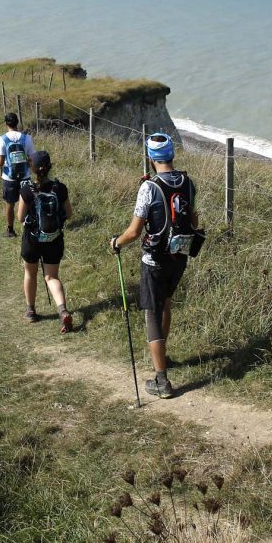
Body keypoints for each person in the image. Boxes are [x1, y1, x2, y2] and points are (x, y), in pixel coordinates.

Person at [110, 132, 198, 399]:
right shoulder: (189, 183)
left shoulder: (148, 187)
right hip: (179, 256)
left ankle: (161, 380)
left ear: (150, 157)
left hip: (154, 260)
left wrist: (117, 242)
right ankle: (163, 358)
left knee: (151, 313)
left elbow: (135, 232)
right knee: (166, 304)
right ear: (171, 154)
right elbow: (193, 221)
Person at [18, 151, 74, 331]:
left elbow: (20, 217)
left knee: (30, 272)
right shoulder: (60, 188)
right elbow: (69, 213)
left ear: (31, 168)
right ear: (49, 167)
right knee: (51, 276)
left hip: (32, 238)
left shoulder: (27, 190)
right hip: (54, 238)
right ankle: (63, 310)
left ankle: (31, 310)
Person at [0, 113, 36, 238]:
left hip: (9, 177)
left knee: (9, 203)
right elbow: (32, 160)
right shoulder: (27, 138)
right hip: (25, 176)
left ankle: (10, 230)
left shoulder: (1, 139)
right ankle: (31, 227)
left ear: (6, 124)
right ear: (17, 123)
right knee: (28, 201)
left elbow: (0, 162)